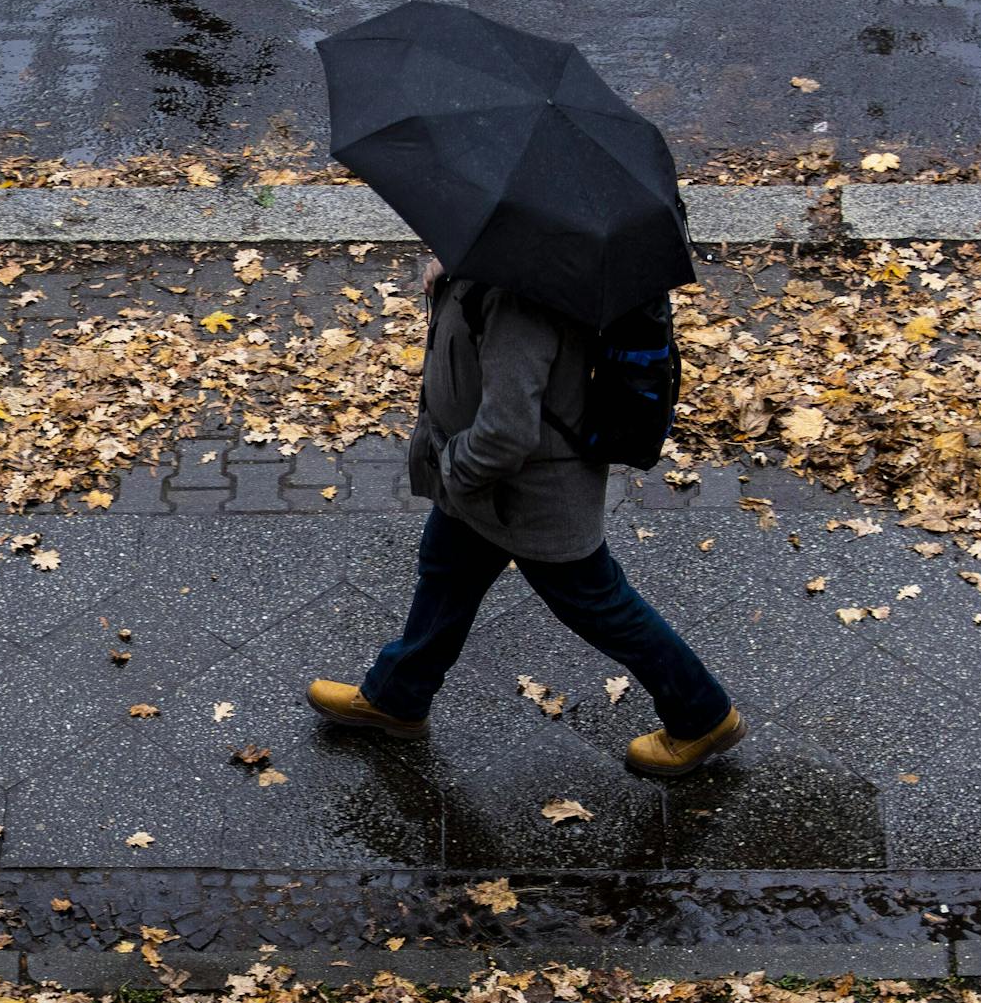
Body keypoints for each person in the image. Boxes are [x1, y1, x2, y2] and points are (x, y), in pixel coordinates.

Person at [305, 255, 746, 778]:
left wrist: (453, 469)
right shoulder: (493, 267)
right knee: (446, 575)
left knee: (599, 605)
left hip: (530, 494)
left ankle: (703, 715)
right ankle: (396, 697)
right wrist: (449, 277)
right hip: (485, 491)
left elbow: (507, 433)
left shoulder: (517, 294)